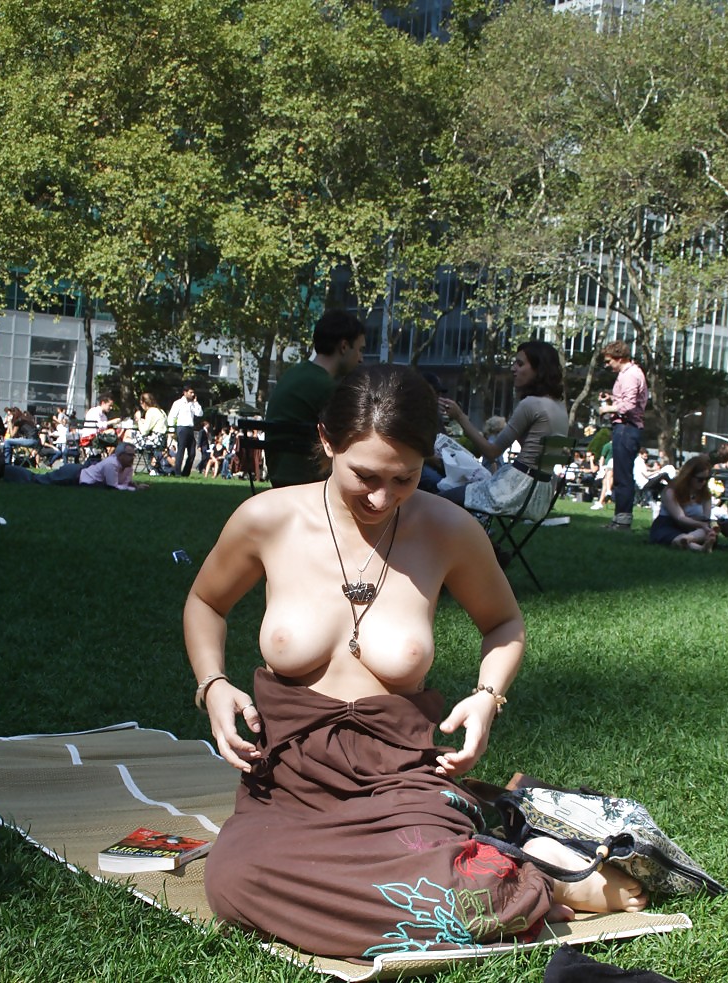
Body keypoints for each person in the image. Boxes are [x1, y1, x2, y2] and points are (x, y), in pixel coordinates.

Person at [184, 363, 646, 961]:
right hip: (291, 778)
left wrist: (487, 697)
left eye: (403, 478)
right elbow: (205, 602)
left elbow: (503, 623)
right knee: (235, 880)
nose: (381, 498)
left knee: (441, 882)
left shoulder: (447, 529)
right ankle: (518, 875)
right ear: (327, 441)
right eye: (365, 476)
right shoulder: (268, 519)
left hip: (400, 773)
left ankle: (533, 878)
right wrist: (213, 684)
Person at [438, 341, 569, 521]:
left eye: (520, 364)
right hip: (540, 494)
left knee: (442, 499)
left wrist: (460, 417)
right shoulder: (560, 407)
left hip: (515, 489)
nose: (513, 368)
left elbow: (492, 452)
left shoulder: (530, 404)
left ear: (539, 369)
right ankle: (488, 544)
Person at [264, 309, 366, 487]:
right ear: (343, 347)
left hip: (279, 474)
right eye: (359, 349)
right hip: (312, 479)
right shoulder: (327, 388)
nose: (361, 358)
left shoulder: (293, 375)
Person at [598, 341, 648, 531]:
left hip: (627, 428)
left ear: (619, 358)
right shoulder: (630, 374)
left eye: (609, 361)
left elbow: (628, 405)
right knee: (621, 474)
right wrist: (612, 398)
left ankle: (622, 521)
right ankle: (619, 519)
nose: (607, 364)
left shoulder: (630, 375)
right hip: (627, 428)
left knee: (623, 476)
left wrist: (606, 408)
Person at [0, 443, 149, 491]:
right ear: (120, 455)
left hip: (77, 475)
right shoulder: (111, 464)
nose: (132, 458)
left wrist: (134, 485)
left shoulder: (126, 466)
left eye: (133, 455)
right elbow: (113, 487)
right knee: (37, 480)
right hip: (73, 476)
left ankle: (5, 470)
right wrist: (134, 489)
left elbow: (124, 483)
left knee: (38, 479)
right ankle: (4, 470)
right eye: (130, 455)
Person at [649, 454, 717, 551]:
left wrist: (708, 526)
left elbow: (705, 519)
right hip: (669, 525)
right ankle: (701, 548)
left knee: (707, 531)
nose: (704, 483)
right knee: (675, 537)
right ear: (689, 477)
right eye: (700, 479)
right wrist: (701, 524)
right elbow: (680, 518)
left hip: (693, 529)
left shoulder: (705, 495)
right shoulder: (671, 491)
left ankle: (687, 539)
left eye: (707, 479)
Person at [168, 381, 202, 476]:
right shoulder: (178, 403)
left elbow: (199, 413)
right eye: (190, 392)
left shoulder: (192, 404)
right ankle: (177, 472)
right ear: (185, 392)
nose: (192, 394)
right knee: (181, 451)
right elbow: (171, 416)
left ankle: (186, 472)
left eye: (193, 392)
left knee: (192, 453)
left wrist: (196, 403)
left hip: (190, 429)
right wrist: (171, 430)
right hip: (182, 428)